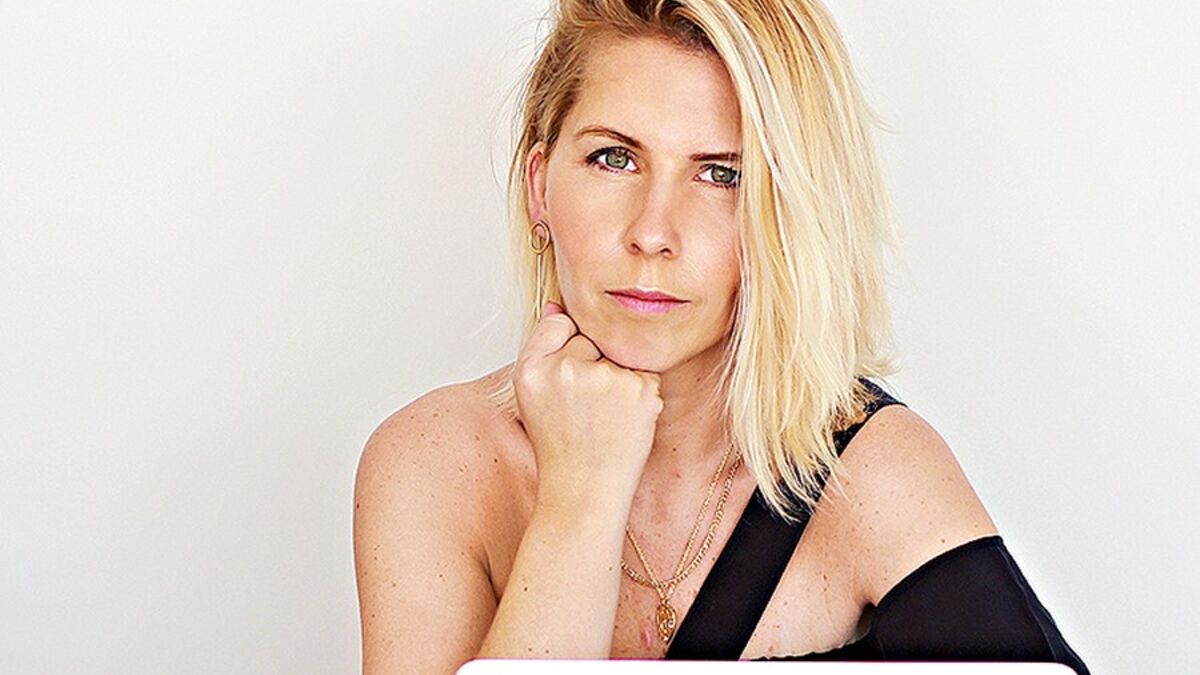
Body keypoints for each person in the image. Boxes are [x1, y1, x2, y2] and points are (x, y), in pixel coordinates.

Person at [353, 1, 1090, 673]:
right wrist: (582, 496)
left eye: (720, 175)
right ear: (540, 186)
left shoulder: (870, 469)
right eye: (615, 158)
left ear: (788, 213)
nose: (652, 232)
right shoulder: (436, 461)